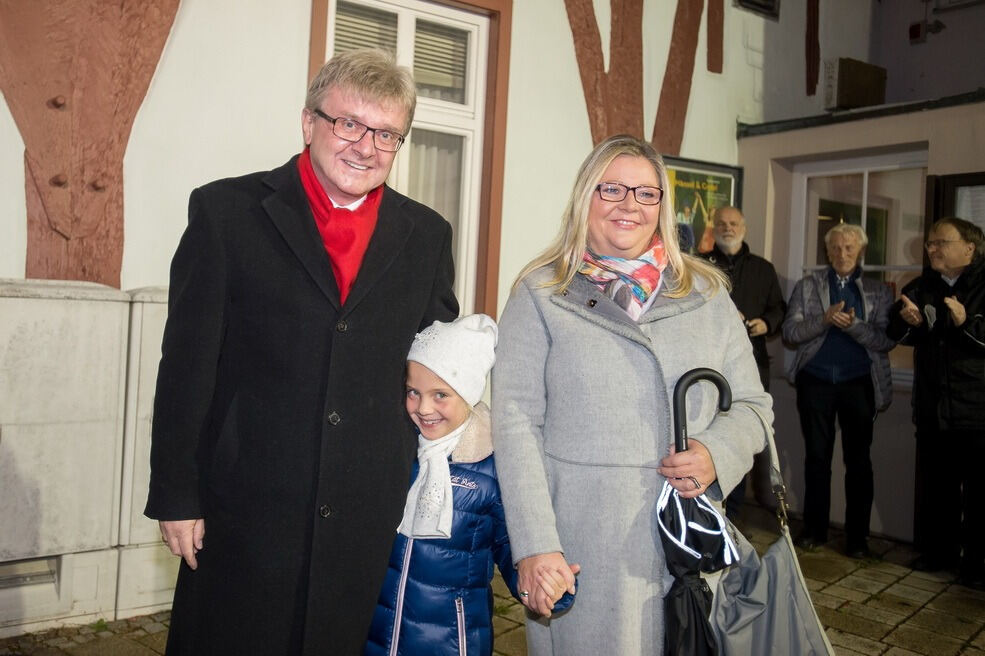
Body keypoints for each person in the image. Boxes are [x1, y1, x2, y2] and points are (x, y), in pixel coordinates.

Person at [144, 48, 458, 655]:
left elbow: (432, 360)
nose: (365, 146)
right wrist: (177, 494)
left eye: (387, 133)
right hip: (242, 504)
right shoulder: (225, 213)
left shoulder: (427, 235)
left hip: (363, 508)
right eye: (349, 124)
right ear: (309, 121)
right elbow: (185, 367)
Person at [491, 134, 772, 655]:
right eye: (612, 189)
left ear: (662, 206)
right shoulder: (541, 294)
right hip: (580, 548)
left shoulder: (708, 295)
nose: (629, 205)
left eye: (646, 193)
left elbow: (754, 406)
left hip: (688, 551)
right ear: (585, 197)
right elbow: (514, 424)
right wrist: (534, 545)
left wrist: (716, 453)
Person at [364, 315, 573, 656]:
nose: (424, 408)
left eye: (440, 394)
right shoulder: (399, 452)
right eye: (413, 392)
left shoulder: (491, 468)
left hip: (452, 643)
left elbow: (516, 548)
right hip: (378, 636)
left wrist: (546, 586)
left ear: (469, 392)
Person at [782, 222, 894, 558]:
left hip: (859, 383)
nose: (842, 254)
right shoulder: (808, 285)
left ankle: (857, 540)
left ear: (860, 251)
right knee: (817, 458)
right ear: (827, 252)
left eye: (849, 248)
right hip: (815, 381)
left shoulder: (877, 291)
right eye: (835, 248)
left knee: (859, 462)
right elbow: (790, 332)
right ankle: (815, 529)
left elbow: (885, 339)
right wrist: (825, 321)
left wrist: (855, 326)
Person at [887, 217, 985, 586]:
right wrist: (906, 320)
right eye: (930, 244)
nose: (932, 250)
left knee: (978, 496)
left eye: (940, 243)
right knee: (938, 488)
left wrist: (965, 324)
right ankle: (937, 553)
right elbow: (892, 330)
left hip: (977, 410)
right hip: (932, 408)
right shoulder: (922, 285)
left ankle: (976, 565)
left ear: (969, 248)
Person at [702, 206, 785, 521]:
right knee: (712, 438)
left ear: (744, 227)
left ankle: (734, 517)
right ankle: (713, 516)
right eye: (721, 223)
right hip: (709, 367)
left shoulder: (763, 269)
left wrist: (766, 323)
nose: (727, 228)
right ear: (714, 228)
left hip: (752, 368)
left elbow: (779, 308)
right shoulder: (700, 266)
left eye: (733, 223)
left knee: (741, 440)